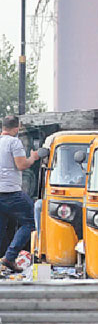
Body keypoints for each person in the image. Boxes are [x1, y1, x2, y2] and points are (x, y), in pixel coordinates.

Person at [0, 115, 39, 272]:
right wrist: (33, 158)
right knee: (30, 221)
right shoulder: (14, 142)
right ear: (17, 128)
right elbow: (21, 165)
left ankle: (4, 260)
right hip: (11, 192)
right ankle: (9, 257)